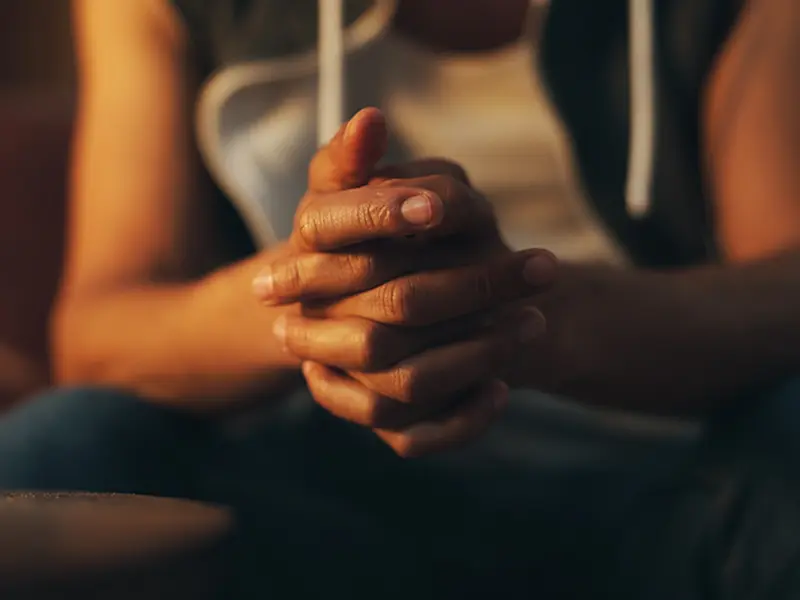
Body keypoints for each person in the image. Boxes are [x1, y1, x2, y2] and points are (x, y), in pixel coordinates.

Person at [0, 0, 799, 597]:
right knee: (64, 448)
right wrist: (318, 296)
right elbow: (100, 333)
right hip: (326, 498)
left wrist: (517, 314)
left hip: (679, 482)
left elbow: (783, 288)